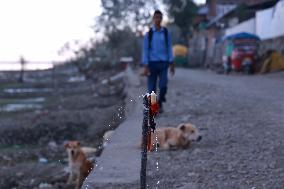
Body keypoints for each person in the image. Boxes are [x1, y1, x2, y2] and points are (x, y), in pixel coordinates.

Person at [142, 10, 175, 113]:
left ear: (162, 19)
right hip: (151, 64)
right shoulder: (149, 34)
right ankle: (154, 109)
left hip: (163, 63)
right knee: (151, 88)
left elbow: (169, 47)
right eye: (156, 17)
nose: (158, 19)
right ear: (153, 19)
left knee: (163, 85)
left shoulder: (166, 33)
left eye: (160, 17)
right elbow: (145, 50)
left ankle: (160, 103)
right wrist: (146, 65)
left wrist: (171, 61)